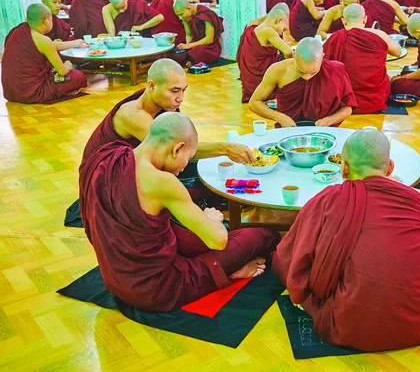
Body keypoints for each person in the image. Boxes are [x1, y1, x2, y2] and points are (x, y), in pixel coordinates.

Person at [80, 112, 280, 313]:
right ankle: (226, 273)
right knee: (263, 234)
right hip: (159, 289)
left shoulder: (105, 157)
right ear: (177, 149)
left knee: (192, 236)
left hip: (115, 279)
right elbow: (217, 240)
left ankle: (224, 268)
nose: (185, 166)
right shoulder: (162, 182)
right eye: (189, 157)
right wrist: (212, 219)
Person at [272, 129, 420, 352]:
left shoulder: (328, 200)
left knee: (285, 261)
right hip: (414, 324)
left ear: (344, 167)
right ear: (389, 168)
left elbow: (292, 257)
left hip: (346, 324)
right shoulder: (418, 202)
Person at [81, 58, 254, 167]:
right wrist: (225, 148)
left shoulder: (161, 104)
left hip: (143, 163)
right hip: (107, 177)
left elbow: (181, 144)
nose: (180, 99)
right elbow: (175, 149)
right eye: (174, 91)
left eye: (184, 90)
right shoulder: (133, 116)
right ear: (151, 86)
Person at [249, 37, 356, 127]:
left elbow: (347, 108)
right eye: (301, 72)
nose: (307, 77)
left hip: (323, 132)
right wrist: (280, 117)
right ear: (294, 55)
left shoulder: (334, 72)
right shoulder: (278, 71)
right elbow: (254, 103)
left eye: (313, 73)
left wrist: (328, 121)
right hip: (287, 131)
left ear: (322, 57)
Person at [1, 4, 88, 104]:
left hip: (11, 92)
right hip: (33, 92)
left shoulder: (17, 31)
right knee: (78, 76)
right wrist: (68, 63)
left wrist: (75, 43)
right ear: (46, 21)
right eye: (51, 20)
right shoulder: (43, 40)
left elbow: (50, 46)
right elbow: (63, 71)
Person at [324, 4, 402, 113]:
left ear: (343, 21)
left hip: (344, 100)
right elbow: (398, 52)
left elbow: (323, 65)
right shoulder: (380, 35)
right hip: (375, 99)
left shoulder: (335, 38)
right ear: (365, 19)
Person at [237, 9, 292, 103]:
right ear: (278, 20)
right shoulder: (268, 31)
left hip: (250, 83)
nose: (281, 33)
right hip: (261, 85)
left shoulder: (254, 27)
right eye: (283, 29)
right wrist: (290, 69)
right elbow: (288, 52)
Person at [173, 0, 224, 65]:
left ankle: (191, 60)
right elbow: (189, 35)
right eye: (178, 15)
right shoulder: (186, 17)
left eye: (181, 14)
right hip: (195, 45)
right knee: (175, 53)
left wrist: (189, 46)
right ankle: (190, 59)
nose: (180, 18)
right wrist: (187, 47)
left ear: (189, 8)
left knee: (199, 51)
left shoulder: (206, 14)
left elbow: (209, 39)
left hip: (210, 48)